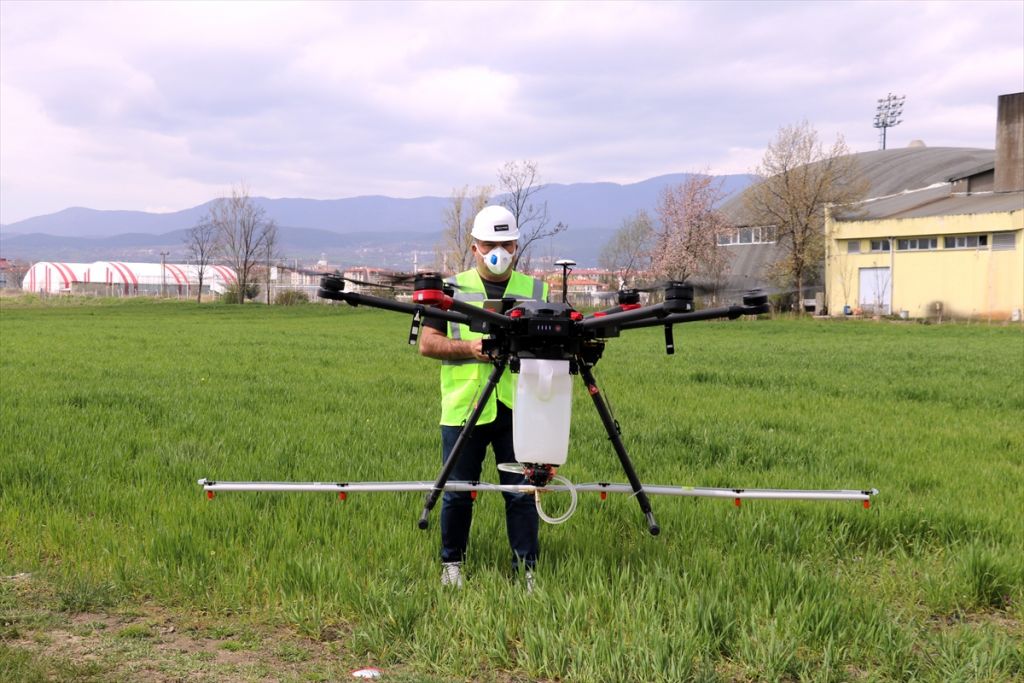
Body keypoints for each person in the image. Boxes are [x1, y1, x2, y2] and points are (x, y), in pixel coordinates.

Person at [418, 205, 549, 588]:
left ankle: (525, 569)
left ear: (516, 245)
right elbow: (428, 344)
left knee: (522, 493)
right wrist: (470, 348)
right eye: (489, 243)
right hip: (465, 407)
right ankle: (452, 565)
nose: (498, 251)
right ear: (474, 246)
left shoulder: (537, 290)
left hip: (520, 407)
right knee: (458, 493)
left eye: (505, 243)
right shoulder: (450, 290)